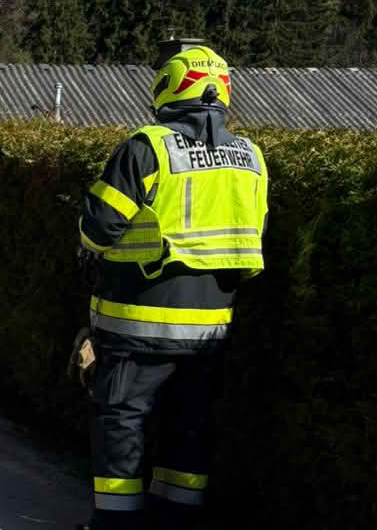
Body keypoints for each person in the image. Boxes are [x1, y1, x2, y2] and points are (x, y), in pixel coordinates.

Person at [74, 45, 269, 530]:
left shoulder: (148, 146)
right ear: (222, 90)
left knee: (122, 421)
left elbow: (98, 229)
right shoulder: (251, 157)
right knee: (190, 425)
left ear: (166, 87)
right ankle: (176, 520)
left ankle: (117, 525)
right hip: (210, 330)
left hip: (138, 320)